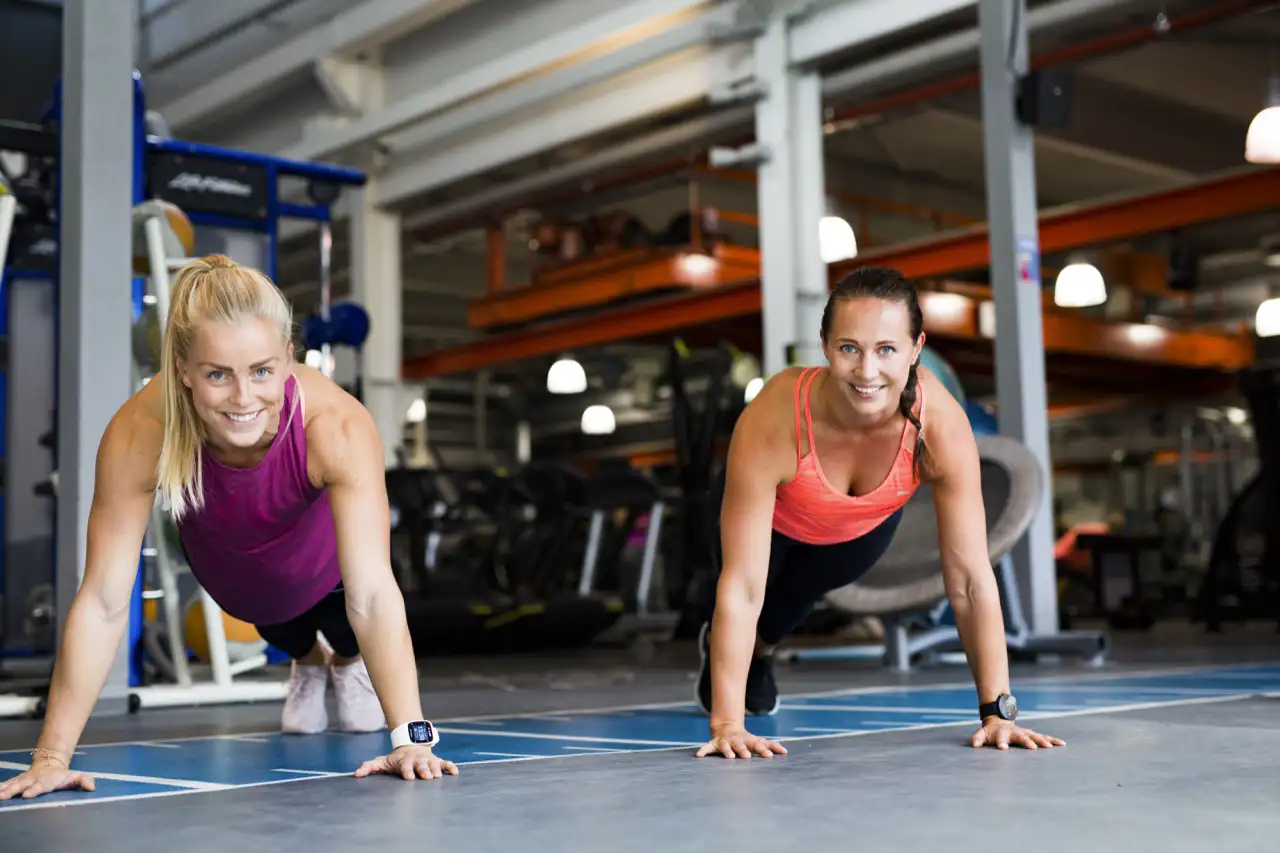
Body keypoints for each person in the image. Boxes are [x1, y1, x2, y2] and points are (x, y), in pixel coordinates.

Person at [0, 255, 456, 802]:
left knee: (345, 620)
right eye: (218, 374)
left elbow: (376, 593)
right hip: (239, 580)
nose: (244, 399)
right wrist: (51, 758)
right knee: (275, 621)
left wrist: (412, 738)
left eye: (262, 370)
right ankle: (309, 665)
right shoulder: (142, 431)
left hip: (322, 567)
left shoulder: (334, 424)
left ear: (289, 358)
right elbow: (102, 600)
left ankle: (344, 664)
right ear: (182, 369)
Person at [692, 266, 1065, 760]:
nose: (867, 371)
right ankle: (722, 649)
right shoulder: (776, 414)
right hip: (769, 520)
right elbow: (742, 585)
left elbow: (972, 579)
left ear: (916, 349)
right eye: (849, 348)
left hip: (853, 537)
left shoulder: (939, 422)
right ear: (825, 346)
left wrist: (998, 712)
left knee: (791, 604)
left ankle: (759, 652)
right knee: (747, 595)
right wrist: (727, 725)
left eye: (886, 349)